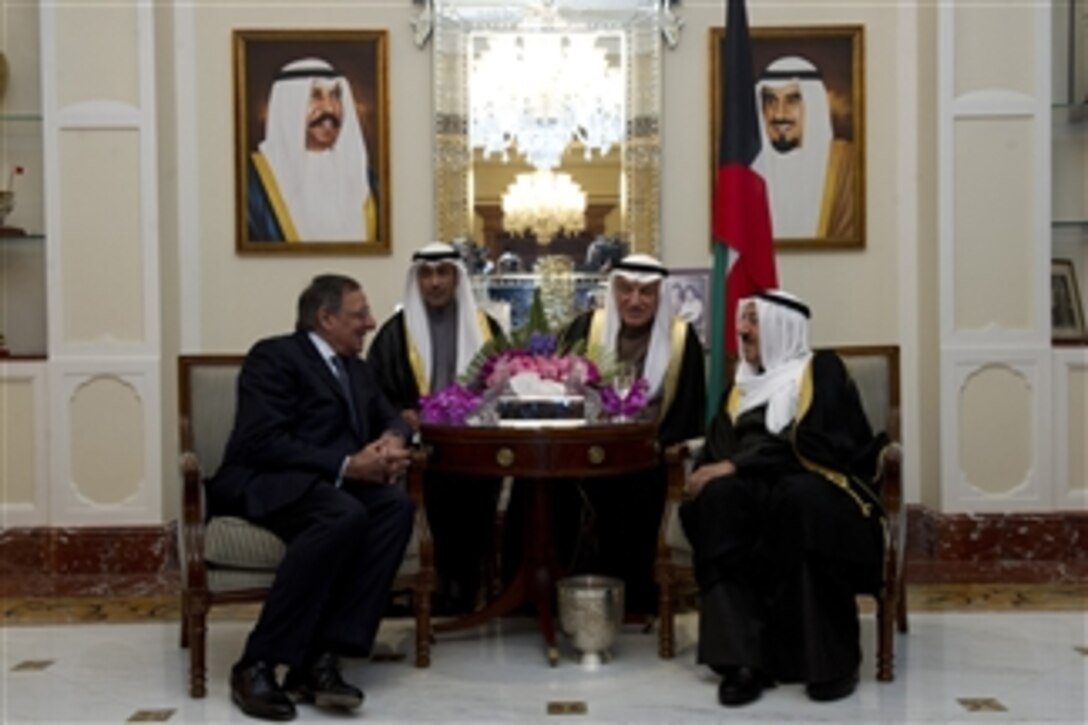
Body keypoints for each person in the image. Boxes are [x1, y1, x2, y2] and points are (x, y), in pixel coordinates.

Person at [206, 274, 413, 721]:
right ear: (326, 318)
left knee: (395, 507)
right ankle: (257, 663)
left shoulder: (358, 368)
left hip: (333, 487)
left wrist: (393, 441)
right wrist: (347, 464)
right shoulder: (275, 356)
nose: (371, 323)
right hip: (271, 481)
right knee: (342, 515)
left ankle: (323, 657)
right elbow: (262, 441)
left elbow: (392, 417)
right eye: (360, 315)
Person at [679, 290, 887, 707]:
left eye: (753, 320)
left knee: (801, 499)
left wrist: (740, 465)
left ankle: (829, 663)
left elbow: (822, 442)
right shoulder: (739, 388)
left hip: (815, 481)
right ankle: (742, 661)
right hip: (754, 489)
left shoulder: (822, 371)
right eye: (743, 320)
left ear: (781, 325)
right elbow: (719, 452)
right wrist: (717, 471)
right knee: (719, 501)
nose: (742, 331)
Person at [555, 253, 706, 613]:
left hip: (647, 457)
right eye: (626, 290)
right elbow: (556, 391)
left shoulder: (683, 341)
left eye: (646, 293)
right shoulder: (585, 328)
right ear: (614, 290)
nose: (635, 301)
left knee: (634, 488)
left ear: (660, 297)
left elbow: (687, 415)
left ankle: (635, 602)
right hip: (583, 450)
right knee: (551, 488)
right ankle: (558, 597)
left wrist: (650, 444)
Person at [367, 242, 507, 613]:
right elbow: (373, 393)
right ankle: (433, 591)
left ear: (456, 277)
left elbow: (508, 385)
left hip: (476, 446)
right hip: (419, 449)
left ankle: (470, 591)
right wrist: (401, 413)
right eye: (426, 275)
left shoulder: (487, 329)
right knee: (435, 490)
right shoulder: (394, 334)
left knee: (475, 492)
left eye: (442, 273)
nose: (434, 283)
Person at [248, 57, 377, 243]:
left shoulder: (367, 183)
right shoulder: (252, 185)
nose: (330, 108)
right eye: (315, 95)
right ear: (290, 105)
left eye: (336, 95)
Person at [756, 56, 857, 241]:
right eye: (771, 101)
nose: (779, 113)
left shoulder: (847, 165)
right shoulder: (749, 171)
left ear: (812, 104)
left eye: (792, 100)